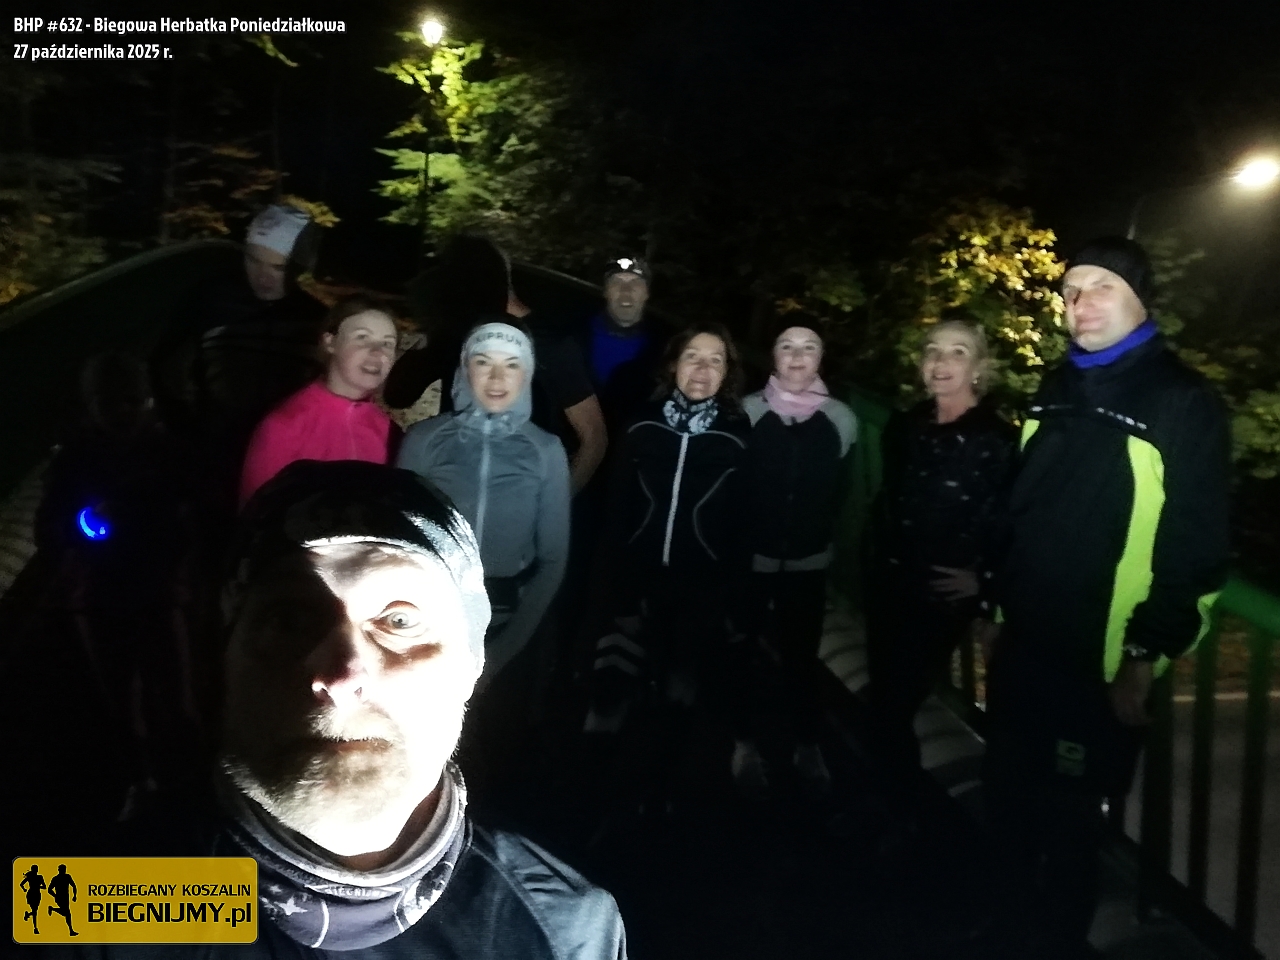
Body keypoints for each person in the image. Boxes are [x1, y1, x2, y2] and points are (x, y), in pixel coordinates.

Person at [44, 460, 627, 958]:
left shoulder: (561, 933)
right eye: (289, 620)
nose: (341, 676)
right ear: (225, 657)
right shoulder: (95, 904)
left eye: (399, 620)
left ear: (472, 665)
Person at [980, 237, 1231, 959]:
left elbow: (1198, 551)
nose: (1078, 304)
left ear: (1140, 299)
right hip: (1025, 648)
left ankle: (1056, 944)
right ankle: (1001, 932)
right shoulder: (1055, 386)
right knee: (1007, 805)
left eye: (1100, 287)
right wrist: (997, 610)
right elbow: (1019, 510)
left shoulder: (1181, 401)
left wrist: (1144, 656)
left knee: (1070, 832)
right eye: (1069, 291)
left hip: (1102, 665)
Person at [584, 322, 751, 810]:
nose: (702, 368)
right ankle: (595, 801)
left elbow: (744, 525)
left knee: (679, 699)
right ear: (673, 364)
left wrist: (734, 597)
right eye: (693, 356)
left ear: (727, 373)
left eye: (715, 360)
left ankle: (663, 802)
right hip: (636, 580)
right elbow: (616, 512)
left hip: (701, 587)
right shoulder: (641, 425)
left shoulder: (738, 436)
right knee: (615, 695)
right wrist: (606, 586)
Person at [35, 352, 201, 810]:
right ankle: (141, 782)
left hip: (161, 591)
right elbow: (50, 530)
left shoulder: (168, 451)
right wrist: (86, 523)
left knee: (176, 692)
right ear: (91, 405)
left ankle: (184, 784)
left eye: (131, 400)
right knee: (118, 699)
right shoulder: (75, 460)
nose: (123, 412)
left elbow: (194, 515)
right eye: (109, 402)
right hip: (101, 595)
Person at [863, 320, 1017, 788]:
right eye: (933, 350)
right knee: (884, 699)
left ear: (979, 369)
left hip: (941, 597)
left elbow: (1013, 524)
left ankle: (896, 807)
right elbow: (891, 500)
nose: (941, 361)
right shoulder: (906, 425)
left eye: (958, 352)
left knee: (894, 704)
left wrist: (985, 586)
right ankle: (888, 801)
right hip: (890, 581)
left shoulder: (997, 440)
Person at [396, 320, 571, 694]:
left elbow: (553, 559)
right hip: (429, 618)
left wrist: (503, 652)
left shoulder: (545, 450)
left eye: (511, 364)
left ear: (526, 374)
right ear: (464, 368)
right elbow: (398, 540)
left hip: (507, 622)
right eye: (483, 361)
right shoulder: (423, 439)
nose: (497, 377)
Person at [386, 233, 608, 493]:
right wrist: (429, 335)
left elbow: (594, 438)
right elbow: (397, 394)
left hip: (519, 496)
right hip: (456, 491)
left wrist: (554, 503)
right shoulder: (457, 334)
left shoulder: (551, 344)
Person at [738, 324, 858, 791]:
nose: (797, 355)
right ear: (773, 356)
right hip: (751, 558)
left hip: (808, 560)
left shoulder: (841, 419)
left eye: (809, 347)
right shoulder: (747, 412)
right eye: (786, 346)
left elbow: (842, 492)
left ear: (821, 359)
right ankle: (742, 744)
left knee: (801, 658)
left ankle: (807, 744)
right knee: (742, 652)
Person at [238, 294, 399, 506]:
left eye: (387, 343)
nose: (378, 352)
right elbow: (254, 513)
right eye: (362, 337)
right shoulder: (284, 426)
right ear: (330, 342)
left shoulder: (387, 430)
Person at [575, 257, 668, 438]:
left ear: (647, 293)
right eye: (617, 282)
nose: (626, 290)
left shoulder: (666, 350)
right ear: (605, 291)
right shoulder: (571, 337)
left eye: (636, 283)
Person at [46, 864, 78, 937]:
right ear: (59, 870)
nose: (64, 871)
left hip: (66, 898)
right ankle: (71, 931)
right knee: (67, 914)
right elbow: (49, 889)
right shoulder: (55, 878)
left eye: (64, 869)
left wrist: (74, 895)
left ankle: (52, 909)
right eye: (62, 869)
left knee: (66, 913)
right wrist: (55, 896)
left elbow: (73, 885)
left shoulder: (67, 876)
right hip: (59, 898)